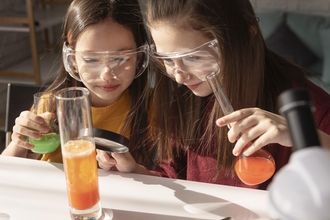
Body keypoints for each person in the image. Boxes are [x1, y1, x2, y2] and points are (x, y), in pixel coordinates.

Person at [97, 0, 330, 190]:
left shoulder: (312, 108)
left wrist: (302, 134)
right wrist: (135, 171)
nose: (179, 77)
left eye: (193, 57)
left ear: (246, 36)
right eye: (167, 59)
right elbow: (174, 177)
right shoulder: (185, 102)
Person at [2, 0, 156, 170]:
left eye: (120, 58)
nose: (106, 75)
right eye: (90, 60)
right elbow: (7, 174)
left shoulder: (153, 107)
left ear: (139, 57)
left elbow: (170, 181)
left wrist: (132, 170)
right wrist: (19, 144)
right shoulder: (51, 105)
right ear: (73, 60)